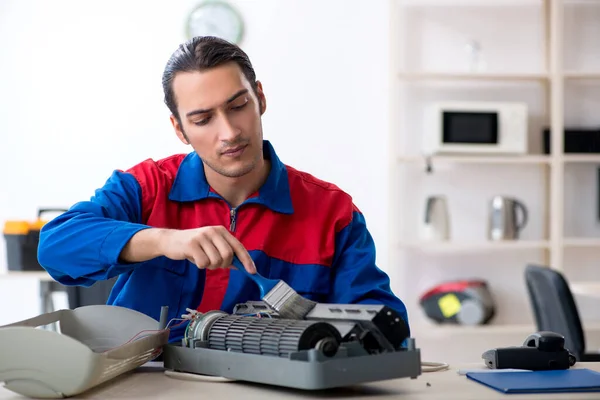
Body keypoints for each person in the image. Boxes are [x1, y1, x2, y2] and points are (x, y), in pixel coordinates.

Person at [37, 36, 409, 342]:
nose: (229, 132)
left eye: (238, 106)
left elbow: (385, 327)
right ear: (180, 129)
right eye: (202, 119)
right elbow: (55, 246)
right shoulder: (146, 187)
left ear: (260, 99)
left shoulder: (332, 213)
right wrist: (166, 241)